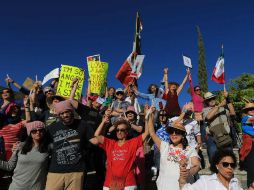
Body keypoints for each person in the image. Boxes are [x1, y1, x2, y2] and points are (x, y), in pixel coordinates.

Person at [89, 107, 151, 190]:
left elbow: (147, 133)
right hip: (109, 183)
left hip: (128, 184)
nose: (119, 132)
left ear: (127, 131)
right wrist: (103, 122)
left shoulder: (132, 143)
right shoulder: (110, 143)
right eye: (117, 130)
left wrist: (148, 116)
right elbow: (96, 136)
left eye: (122, 130)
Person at [44, 100, 95, 190]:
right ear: (58, 115)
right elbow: (41, 143)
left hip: (76, 172)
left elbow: (94, 140)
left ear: (72, 111)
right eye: (61, 113)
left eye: (67, 111)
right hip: (55, 171)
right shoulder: (52, 128)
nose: (65, 115)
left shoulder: (83, 125)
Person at [149, 116, 200, 190]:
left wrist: (188, 172)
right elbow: (152, 133)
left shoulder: (190, 149)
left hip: (183, 186)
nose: (174, 134)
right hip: (164, 186)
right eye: (171, 132)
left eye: (177, 132)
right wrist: (149, 116)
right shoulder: (164, 146)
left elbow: (196, 165)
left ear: (183, 135)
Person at [0, 121, 49, 190]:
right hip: (16, 187)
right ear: (29, 133)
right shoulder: (20, 146)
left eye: (41, 130)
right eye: (34, 131)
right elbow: (9, 166)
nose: (38, 132)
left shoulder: (49, 148)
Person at [179, 149, 243, 190]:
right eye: (225, 164)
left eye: (232, 165)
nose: (229, 167)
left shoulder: (235, 182)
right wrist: (182, 179)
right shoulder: (206, 181)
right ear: (217, 166)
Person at [202, 91, 235, 163]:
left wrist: (228, 99)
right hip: (212, 137)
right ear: (206, 102)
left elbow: (232, 113)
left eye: (212, 98)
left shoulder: (223, 109)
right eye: (209, 99)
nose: (211, 100)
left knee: (229, 158)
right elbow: (208, 117)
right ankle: (215, 172)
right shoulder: (205, 110)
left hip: (225, 135)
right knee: (214, 158)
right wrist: (219, 105)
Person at [240, 102, 254, 188]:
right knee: (252, 169)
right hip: (251, 145)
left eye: (253, 109)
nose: (252, 110)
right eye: (249, 109)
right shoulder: (245, 118)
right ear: (246, 111)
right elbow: (251, 120)